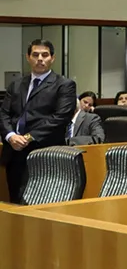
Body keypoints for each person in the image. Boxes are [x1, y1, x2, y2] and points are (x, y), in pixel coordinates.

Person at [1, 40, 76, 203]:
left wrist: (27, 137)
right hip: (14, 152)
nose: (40, 59)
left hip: (43, 152)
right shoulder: (16, 85)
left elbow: (60, 117)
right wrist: (11, 136)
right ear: (28, 57)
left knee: (39, 204)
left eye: (45, 55)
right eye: (35, 55)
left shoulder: (64, 85)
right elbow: (4, 114)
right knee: (15, 203)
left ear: (52, 58)